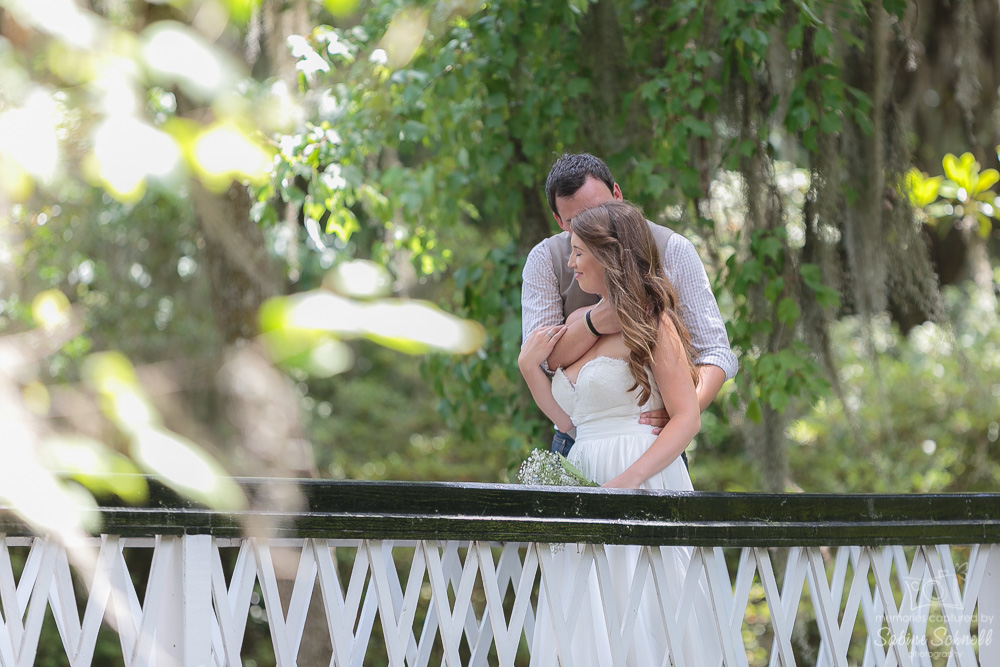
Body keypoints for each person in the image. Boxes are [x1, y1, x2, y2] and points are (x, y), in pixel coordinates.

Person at [518, 200, 717, 666]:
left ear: (610, 256)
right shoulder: (576, 327)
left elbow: (687, 416)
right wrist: (530, 370)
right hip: (586, 468)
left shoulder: (655, 323)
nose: (570, 262)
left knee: (644, 614)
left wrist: (629, 481)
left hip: (639, 472)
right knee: (584, 618)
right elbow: (569, 422)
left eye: (579, 251)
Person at [521, 153, 736, 455]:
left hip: (652, 435)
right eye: (574, 222)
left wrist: (686, 410)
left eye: (598, 210)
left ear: (618, 195)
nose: (591, 227)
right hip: (576, 438)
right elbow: (543, 358)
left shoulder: (673, 249)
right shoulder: (546, 260)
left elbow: (715, 351)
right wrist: (597, 322)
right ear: (558, 221)